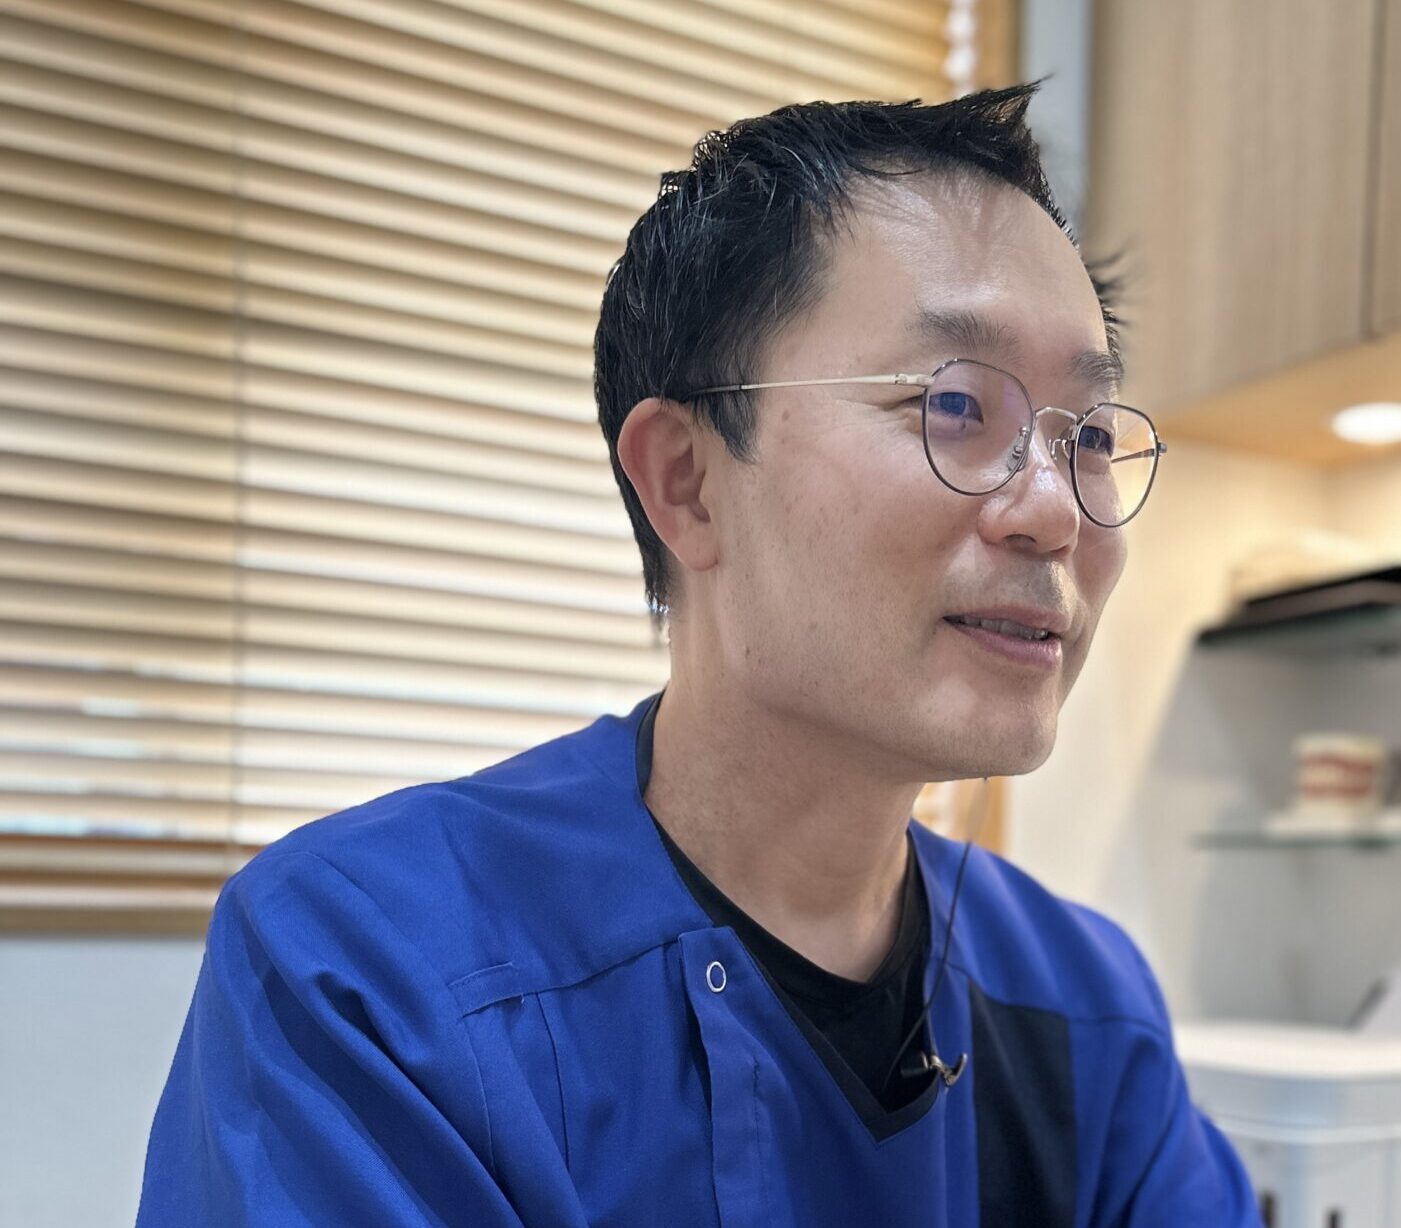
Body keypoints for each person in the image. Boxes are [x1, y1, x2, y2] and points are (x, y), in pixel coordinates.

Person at [136, 82, 1258, 1226]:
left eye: (1089, 434)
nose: (1056, 510)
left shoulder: (1086, 1004)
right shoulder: (371, 971)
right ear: (687, 482)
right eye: (957, 405)